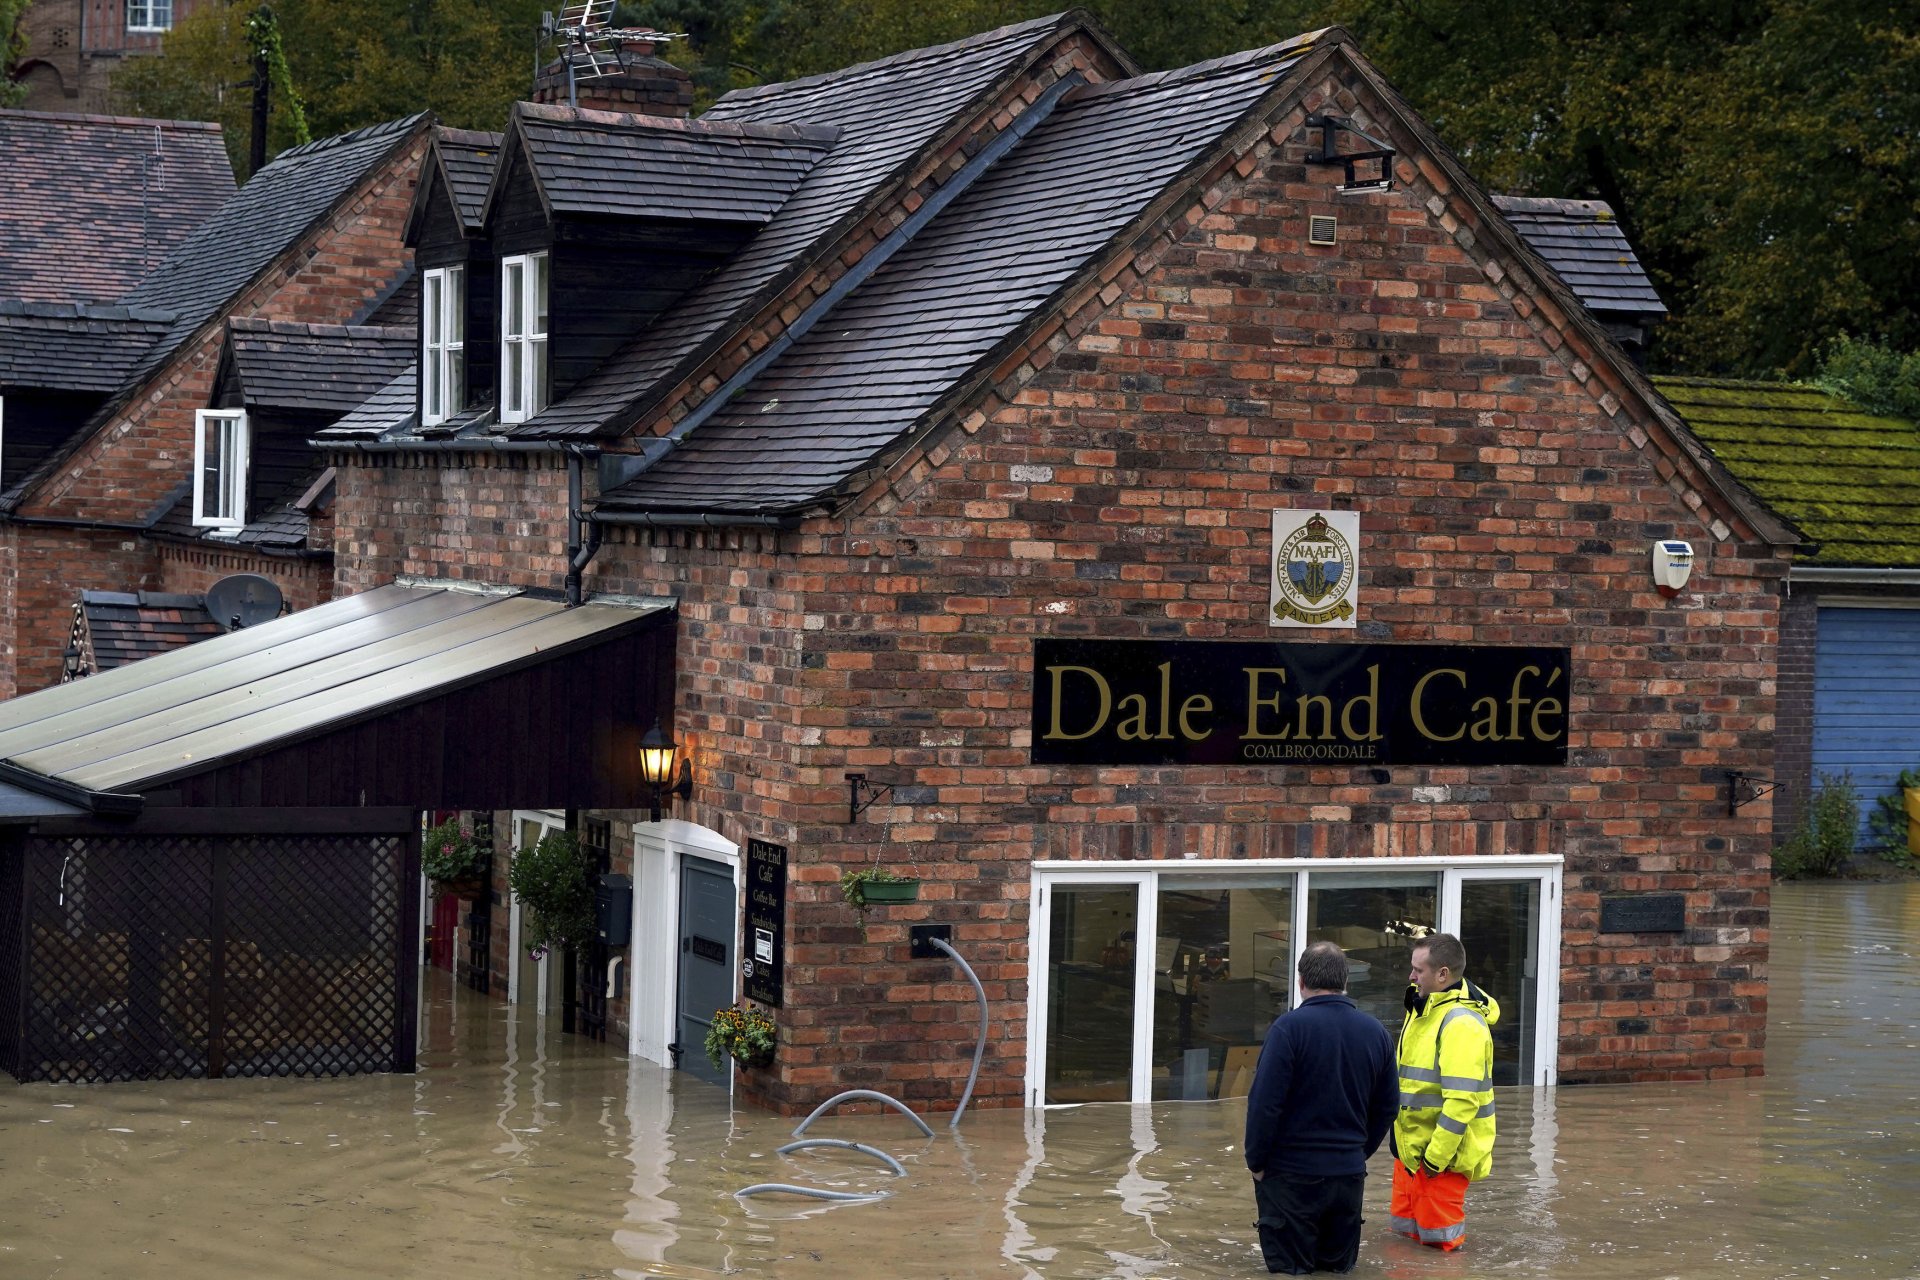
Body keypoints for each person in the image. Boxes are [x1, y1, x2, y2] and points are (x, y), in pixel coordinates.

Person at [1243, 940, 1398, 1275]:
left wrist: (1256, 1162)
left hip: (1290, 1178)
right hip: (1348, 1177)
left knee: (1290, 1271)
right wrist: (1356, 1152)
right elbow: (1387, 1107)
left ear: (1301, 983)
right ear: (1345, 982)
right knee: (1338, 1270)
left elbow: (1264, 1106)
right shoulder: (1377, 1033)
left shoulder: (1288, 1029)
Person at [1388, 932, 1499, 1253]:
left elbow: (1462, 1102)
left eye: (1418, 970)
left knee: (1441, 1252)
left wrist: (1435, 1160)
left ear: (1443, 974)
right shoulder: (1424, 1007)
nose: (1411, 977)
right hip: (1411, 1154)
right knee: (1405, 1247)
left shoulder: (1461, 1024)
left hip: (1437, 1162)